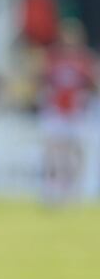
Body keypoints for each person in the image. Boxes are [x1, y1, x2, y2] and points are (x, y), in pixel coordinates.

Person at [37, 18, 96, 206]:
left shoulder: (85, 59)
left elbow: (93, 84)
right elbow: (43, 81)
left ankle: (75, 189)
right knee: (54, 151)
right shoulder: (53, 57)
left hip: (76, 111)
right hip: (56, 110)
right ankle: (52, 188)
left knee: (76, 151)